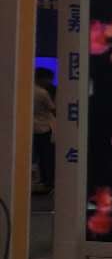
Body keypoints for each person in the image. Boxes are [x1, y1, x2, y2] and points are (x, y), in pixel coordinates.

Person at [33, 67, 56, 195]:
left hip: (34, 128)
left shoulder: (29, 90)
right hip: (45, 128)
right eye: (49, 79)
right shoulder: (43, 93)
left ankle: (43, 181)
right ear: (42, 78)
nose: (50, 82)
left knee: (40, 156)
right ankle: (48, 182)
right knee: (47, 156)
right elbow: (53, 109)